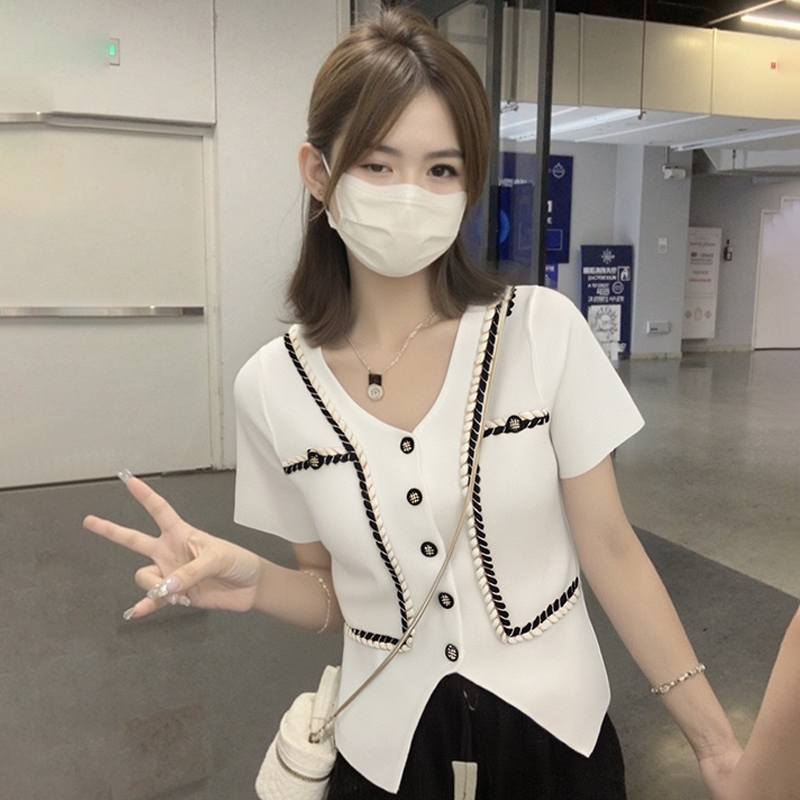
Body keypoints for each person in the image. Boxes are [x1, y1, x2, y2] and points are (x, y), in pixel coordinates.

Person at [84, 8, 748, 798]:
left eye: (441, 169)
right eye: (377, 163)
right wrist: (253, 581)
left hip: (559, 744)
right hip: (386, 756)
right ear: (317, 172)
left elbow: (611, 548)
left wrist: (716, 746)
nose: (411, 194)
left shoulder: (541, 331)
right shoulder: (271, 385)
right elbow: (332, 594)